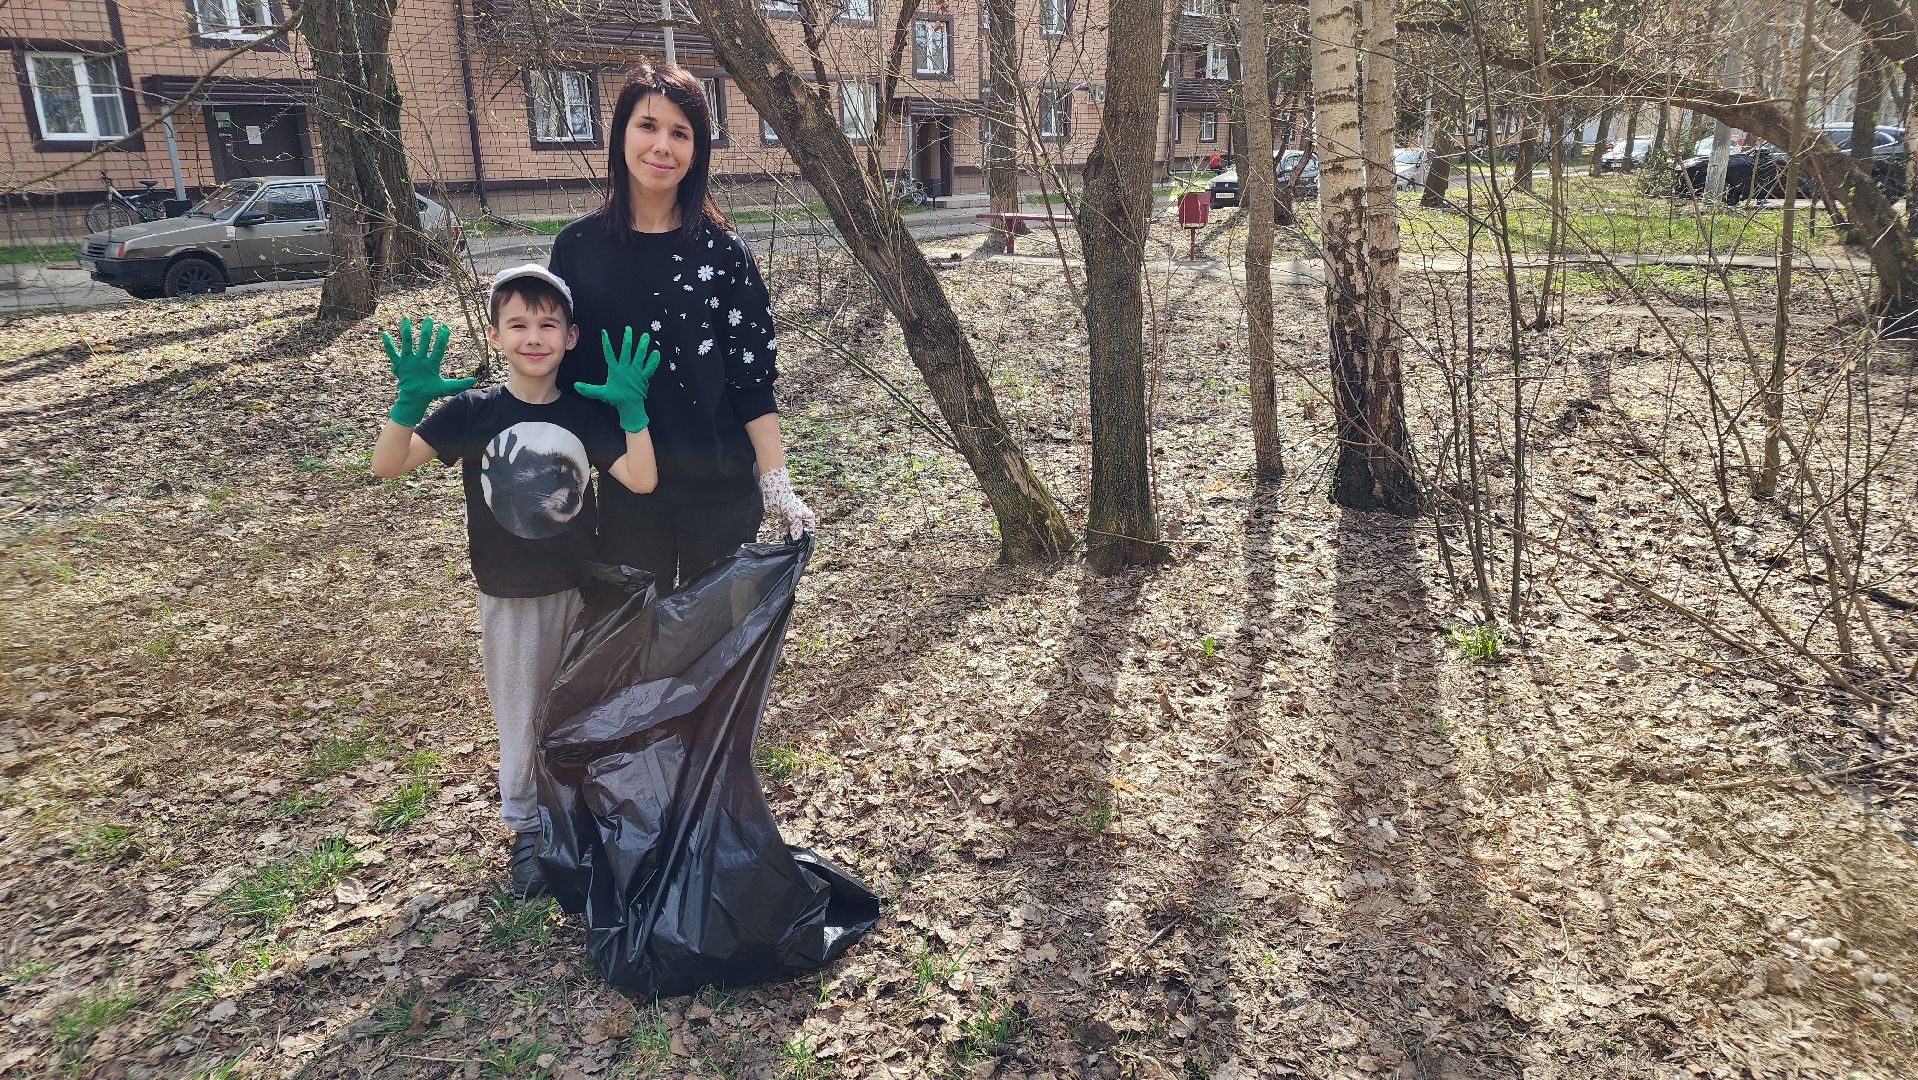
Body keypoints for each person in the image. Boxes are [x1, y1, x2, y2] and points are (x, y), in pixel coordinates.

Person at [369, 264, 661, 897]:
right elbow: (388, 464)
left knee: (584, 705)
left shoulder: (586, 412)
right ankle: (527, 827)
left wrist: (634, 414)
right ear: (496, 336)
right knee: (522, 712)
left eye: (548, 324)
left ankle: (579, 813)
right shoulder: (474, 412)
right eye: (519, 324)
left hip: (587, 594)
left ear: (572, 336)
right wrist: (408, 405)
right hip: (511, 595)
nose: (534, 336)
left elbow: (641, 479)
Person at [548, 62, 815, 592]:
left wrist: (777, 480)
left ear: (698, 151)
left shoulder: (721, 251)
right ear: (621, 132)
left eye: (680, 132)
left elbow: (750, 379)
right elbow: (559, 373)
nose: (662, 146)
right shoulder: (577, 250)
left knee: (716, 654)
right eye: (648, 126)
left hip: (720, 489)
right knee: (632, 644)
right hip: (626, 486)